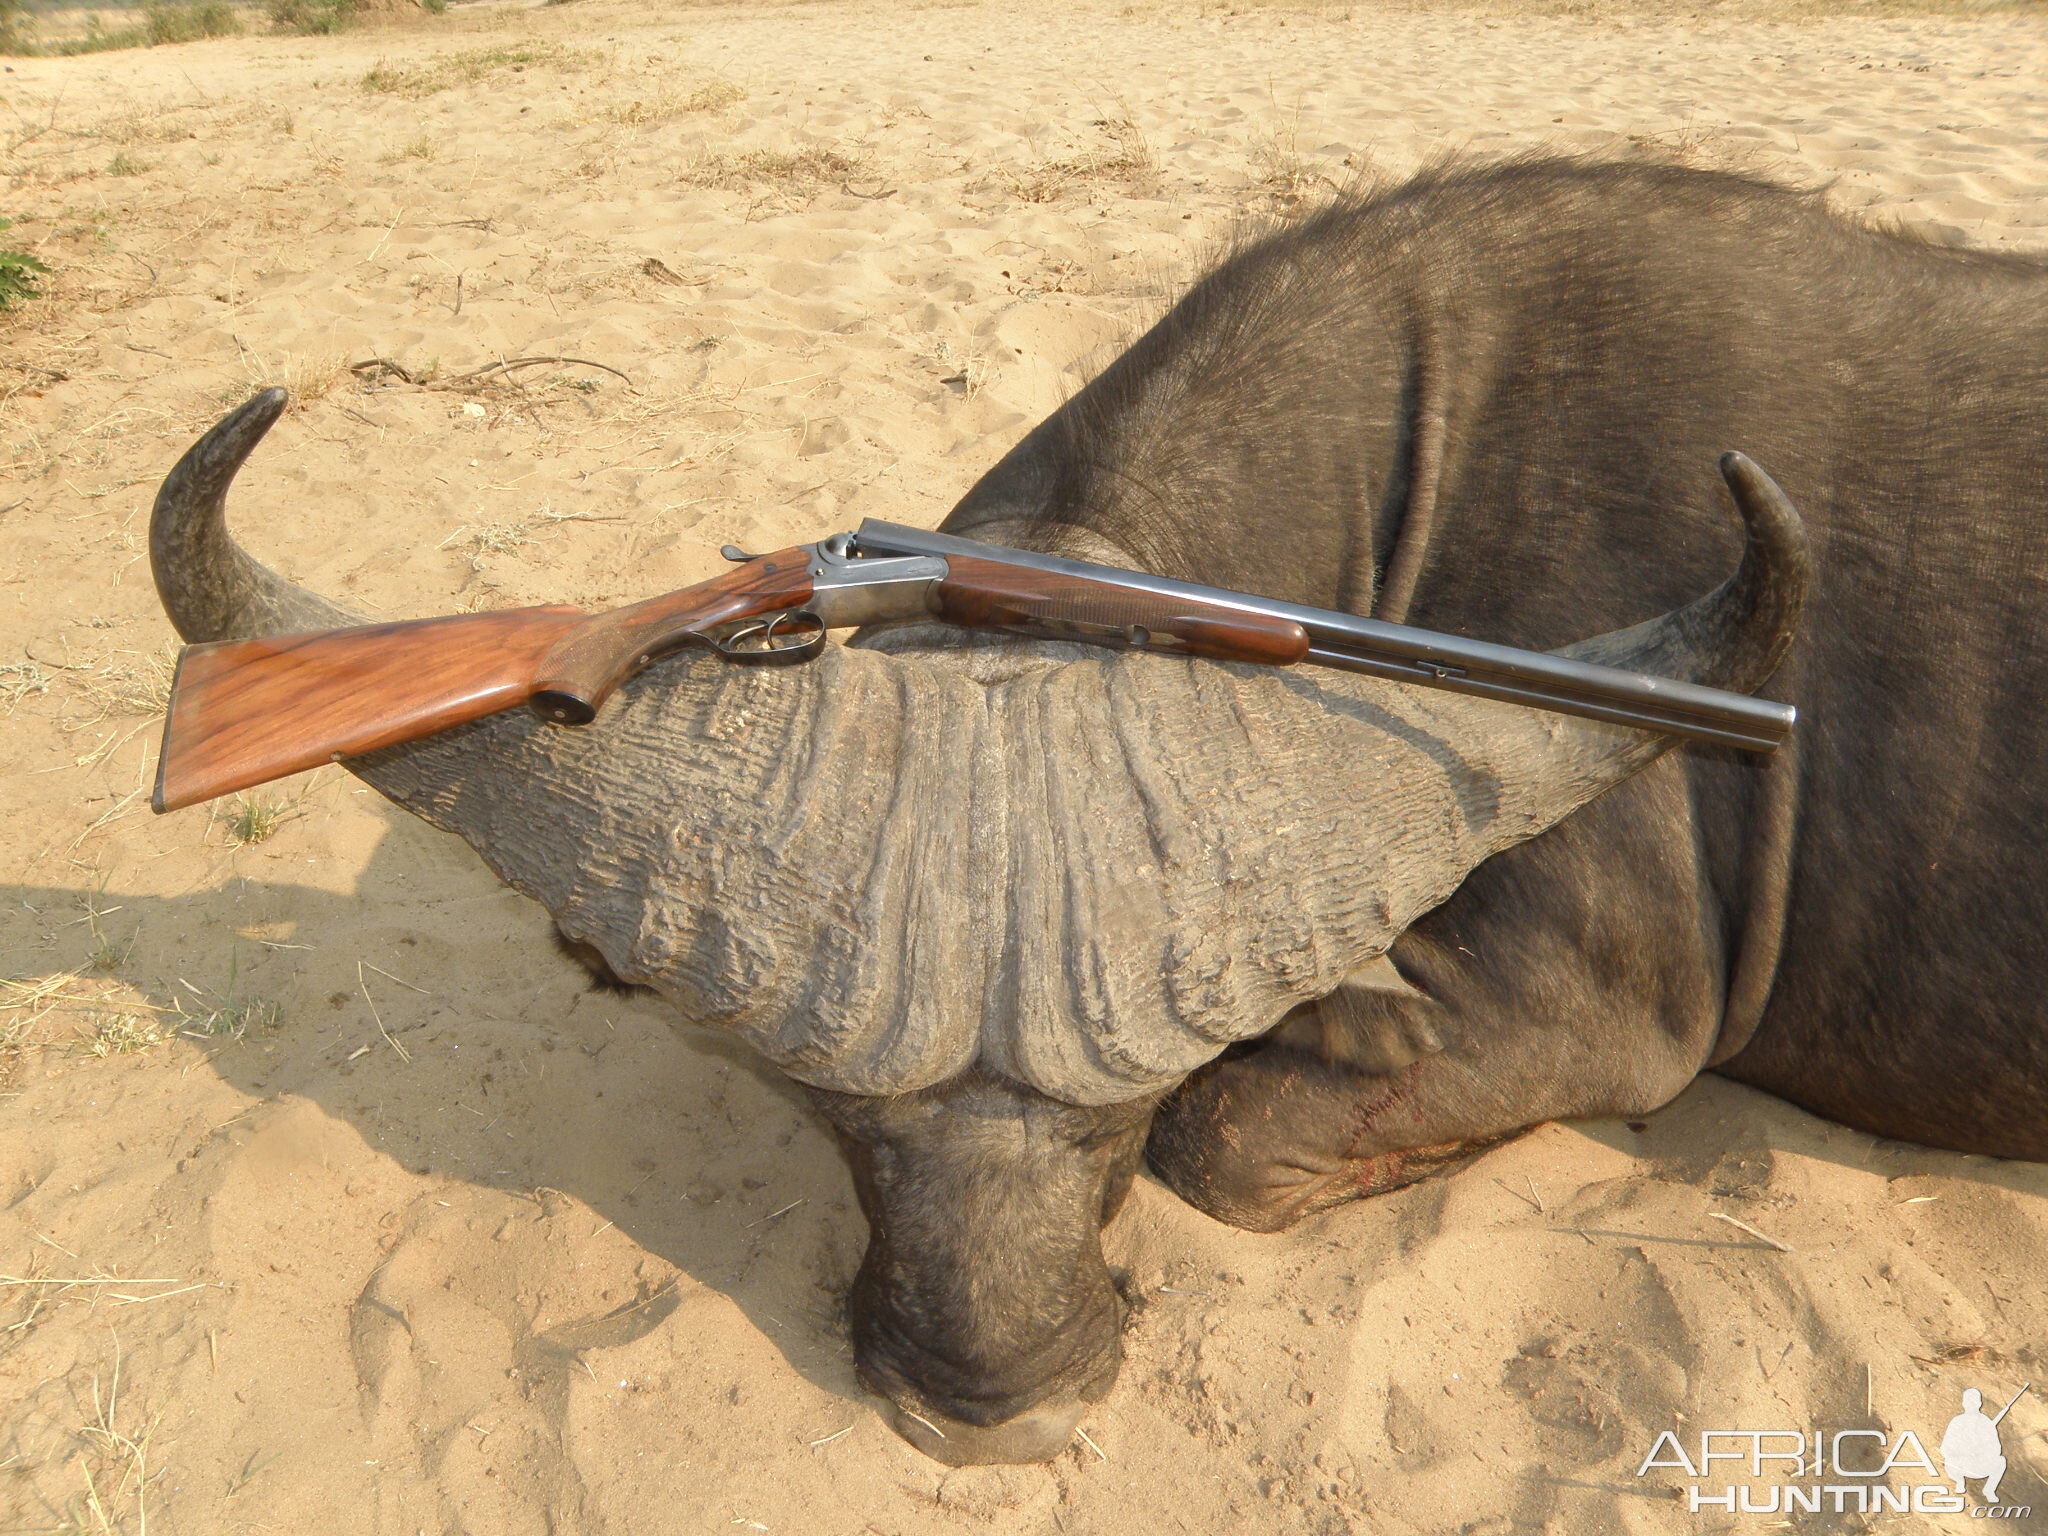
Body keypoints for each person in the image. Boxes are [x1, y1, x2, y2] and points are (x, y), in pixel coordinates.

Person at [1940, 1389, 2007, 1503]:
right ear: (1963, 1403)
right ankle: (1959, 1481)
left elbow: (1996, 1449)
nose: (1971, 1404)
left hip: (1980, 1466)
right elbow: (1945, 1447)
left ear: (1979, 1404)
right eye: (1968, 1401)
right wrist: (1961, 1453)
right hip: (1961, 1465)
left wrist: (1982, 1452)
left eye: (1974, 1401)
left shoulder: (1986, 1422)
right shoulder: (1957, 1421)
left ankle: (1989, 1490)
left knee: (2001, 1461)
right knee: (1948, 1461)